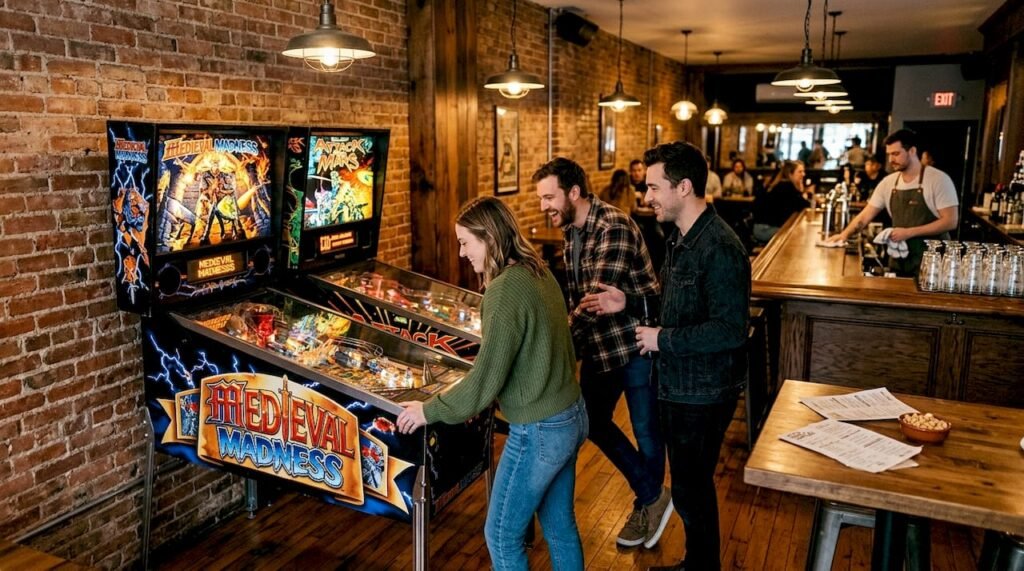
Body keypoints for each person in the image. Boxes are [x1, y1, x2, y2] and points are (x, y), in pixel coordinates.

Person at [581, 141, 751, 571]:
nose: (647, 197)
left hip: (704, 388)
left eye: (654, 187)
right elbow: (672, 310)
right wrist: (630, 305)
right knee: (690, 485)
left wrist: (663, 341)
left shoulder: (719, 246)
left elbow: (730, 330)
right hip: (681, 384)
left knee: (693, 486)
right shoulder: (680, 238)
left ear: (685, 186)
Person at [396, 197, 588, 570]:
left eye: (466, 242)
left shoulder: (503, 290)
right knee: (560, 526)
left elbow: (485, 380)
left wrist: (428, 410)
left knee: (500, 534)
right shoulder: (537, 269)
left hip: (540, 430)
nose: (462, 252)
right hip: (570, 415)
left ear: (490, 238)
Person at [533, 158, 672, 549]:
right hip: (601, 347)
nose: (544, 206)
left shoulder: (612, 226)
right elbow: (577, 299)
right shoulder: (572, 230)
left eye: (549, 197)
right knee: (591, 420)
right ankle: (653, 495)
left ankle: (646, 507)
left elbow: (594, 300)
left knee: (646, 432)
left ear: (573, 193)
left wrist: (553, 345)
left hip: (636, 342)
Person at [826, 129, 959, 276]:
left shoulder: (938, 180)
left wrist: (908, 233)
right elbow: (865, 216)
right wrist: (843, 235)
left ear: (912, 151)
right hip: (900, 262)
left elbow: (950, 221)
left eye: (896, 154)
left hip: (933, 264)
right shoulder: (889, 182)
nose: (890, 160)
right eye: (889, 154)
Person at [752, 160, 810, 243]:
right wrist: (801, 190)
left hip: (764, 227)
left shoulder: (783, 184)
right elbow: (804, 205)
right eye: (800, 172)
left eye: (803, 171)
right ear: (790, 174)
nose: (803, 174)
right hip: (765, 229)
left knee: (797, 234)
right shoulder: (786, 186)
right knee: (797, 236)